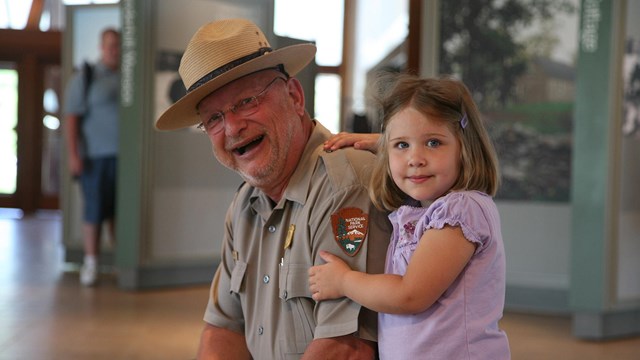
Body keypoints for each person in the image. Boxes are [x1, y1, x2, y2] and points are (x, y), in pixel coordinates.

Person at [154, 19, 390, 359]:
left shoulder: (343, 185)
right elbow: (223, 328)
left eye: (246, 101)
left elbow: (347, 349)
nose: (233, 127)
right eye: (213, 119)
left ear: (294, 96)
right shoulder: (245, 205)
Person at [308, 74, 511, 359]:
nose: (415, 158)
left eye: (433, 143)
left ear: (465, 148)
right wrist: (388, 142)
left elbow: (409, 295)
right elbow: (418, 144)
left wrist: (343, 281)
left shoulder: (460, 210)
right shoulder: (420, 208)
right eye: (402, 145)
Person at [63, 28, 121, 287]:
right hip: (95, 158)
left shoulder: (127, 77)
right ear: (101, 46)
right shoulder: (86, 76)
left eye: (117, 45)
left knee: (119, 213)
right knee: (94, 211)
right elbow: (72, 119)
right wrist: (74, 155)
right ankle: (91, 263)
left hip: (124, 159)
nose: (113, 50)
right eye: (109, 45)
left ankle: (122, 262)